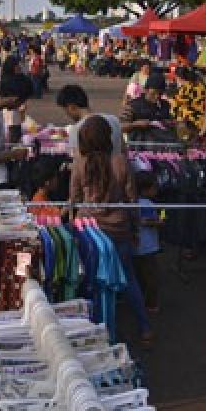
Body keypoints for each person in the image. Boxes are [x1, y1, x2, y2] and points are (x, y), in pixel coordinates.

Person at [69, 115, 152, 345]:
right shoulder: (121, 162)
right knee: (128, 279)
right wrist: (135, 230)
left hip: (89, 233)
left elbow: (73, 200)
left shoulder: (79, 163)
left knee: (91, 281)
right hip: (118, 230)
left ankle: (94, 328)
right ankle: (144, 327)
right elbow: (131, 201)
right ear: (109, 137)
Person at [55, 84, 124, 156]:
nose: (67, 114)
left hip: (94, 167)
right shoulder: (114, 119)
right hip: (117, 165)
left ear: (71, 107)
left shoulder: (76, 130)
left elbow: (77, 160)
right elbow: (123, 150)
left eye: (65, 110)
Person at [132, 170, 161, 314]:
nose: (156, 190)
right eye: (154, 188)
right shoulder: (148, 204)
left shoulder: (132, 202)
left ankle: (138, 300)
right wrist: (159, 222)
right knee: (151, 277)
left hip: (136, 246)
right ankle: (151, 304)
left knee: (137, 276)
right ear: (145, 189)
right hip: (148, 247)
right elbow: (145, 221)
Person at [120, 74, 175, 144]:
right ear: (145, 90)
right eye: (153, 93)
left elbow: (171, 122)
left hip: (165, 144)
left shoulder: (165, 105)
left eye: (160, 94)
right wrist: (135, 124)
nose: (157, 97)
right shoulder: (132, 105)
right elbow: (121, 127)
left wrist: (170, 122)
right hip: (141, 145)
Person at [169, 67, 206, 142]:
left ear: (179, 77)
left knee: (188, 144)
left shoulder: (186, 87)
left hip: (190, 120)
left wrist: (169, 99)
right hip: (202, 120)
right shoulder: (200, 85)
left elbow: (177, 104)